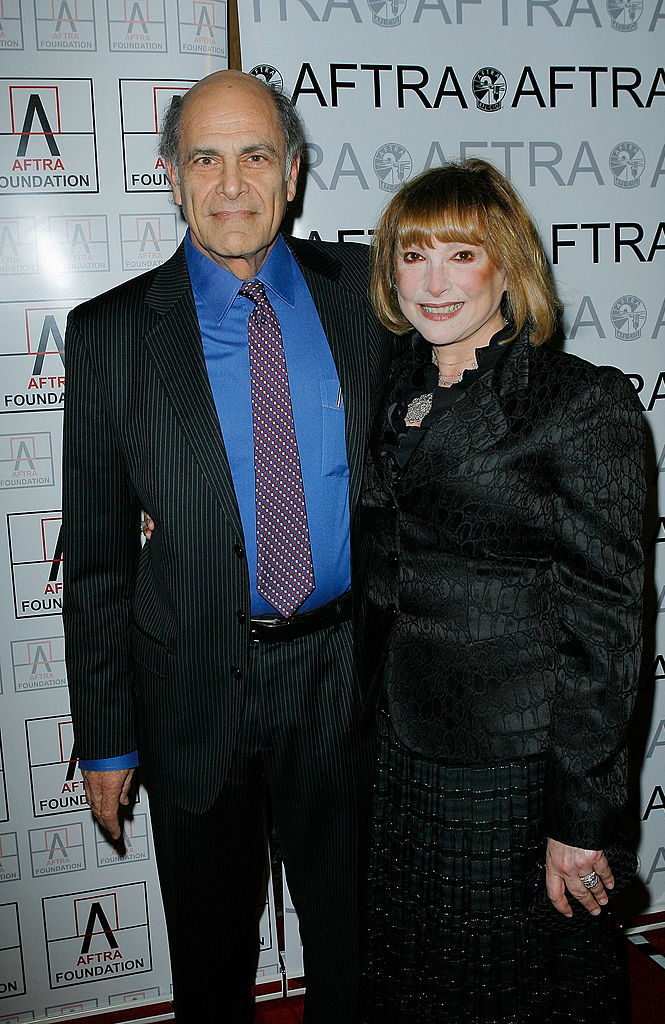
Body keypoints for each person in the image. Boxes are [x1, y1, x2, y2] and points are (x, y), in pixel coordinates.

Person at [62, 70, 395, 1024]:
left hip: (340, 676)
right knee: (210, 970)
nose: (232, 182)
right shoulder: (111, 336)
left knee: (355, 954)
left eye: (256, 155)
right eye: (205, 157)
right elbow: (93, 561)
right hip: (193, 686)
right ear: (172, 177)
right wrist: (108, 737)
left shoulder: (365, 301)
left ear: (292, 173)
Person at [356, 159, 645, 1023]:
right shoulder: (395, 386)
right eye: (414, 255)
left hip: (511, 765)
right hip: (399, 746)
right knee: (421, 983)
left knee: (514, 992)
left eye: (462, 254)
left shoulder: (579, 402)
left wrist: (581, 815)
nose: (434, 281)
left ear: (507, 264)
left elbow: (608, 626)